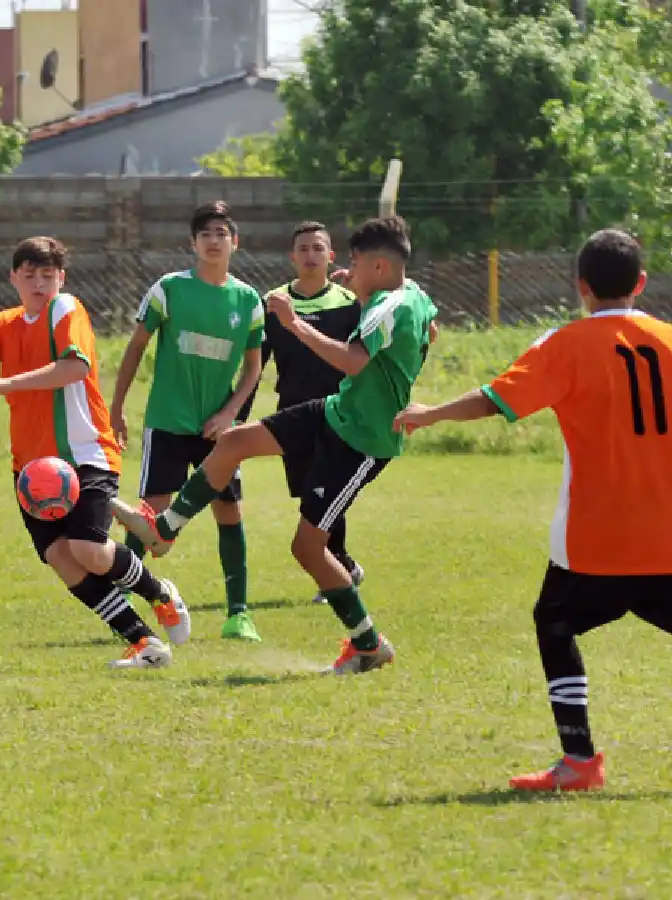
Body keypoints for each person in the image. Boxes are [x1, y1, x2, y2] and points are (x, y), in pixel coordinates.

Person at [394, 228, 672, 791]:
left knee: (555, 620)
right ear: (641, 283)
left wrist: (430, 413)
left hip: (603, 536)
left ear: (581, 286)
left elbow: (496, 400)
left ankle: (580, 761)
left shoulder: (566, 344)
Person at [113, 215, 438, 674]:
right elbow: (430, 331)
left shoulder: (390, 306)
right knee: (234, 442)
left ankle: (368, 643)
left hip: (361, 440)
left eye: (356, 262)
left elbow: (353, 362)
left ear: (380, 266)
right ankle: (165, 529)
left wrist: (294, 324)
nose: (347, 271)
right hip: (335, 411)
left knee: (308, 549)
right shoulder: (413, 294)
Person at [0, 236, 189, 670]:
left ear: (62, 277)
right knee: (61, 557)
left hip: (84, 454)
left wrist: (5, 383)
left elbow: (74, 367)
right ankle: (144, 642)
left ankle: (159, 593)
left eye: (48, 275)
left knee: (88, 549)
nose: (39, 283)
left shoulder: (66, 308)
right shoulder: (5, 323)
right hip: (33, 468)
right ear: (13, 278)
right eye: (30, 275)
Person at [110, 201, 265, 642]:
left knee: (228, 510)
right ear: (193, 243)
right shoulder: (168, 289)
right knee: (149, 515)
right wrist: (116, 407)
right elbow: (136, 347)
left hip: (218, 429)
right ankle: (126, 605)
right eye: (205, 234)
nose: (214, 241)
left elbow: (253, 367)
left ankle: (239, 615)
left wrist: (230, 412)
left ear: (235, 242)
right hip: (168, 420)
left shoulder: (248, 301)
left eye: (222, 233)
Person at [237, 220, 365, 604]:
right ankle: (345, 565)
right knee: (308, 495)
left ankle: (337, 571)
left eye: (318, 248)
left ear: (331, 256)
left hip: (338, 414)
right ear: (292, 257)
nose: (311, 255)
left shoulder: (349, 303)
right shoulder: (275, 303)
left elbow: (362, 359)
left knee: (326, 493)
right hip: (292, 413)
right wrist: (238, 415)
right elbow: (256, 365)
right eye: (303, 249)